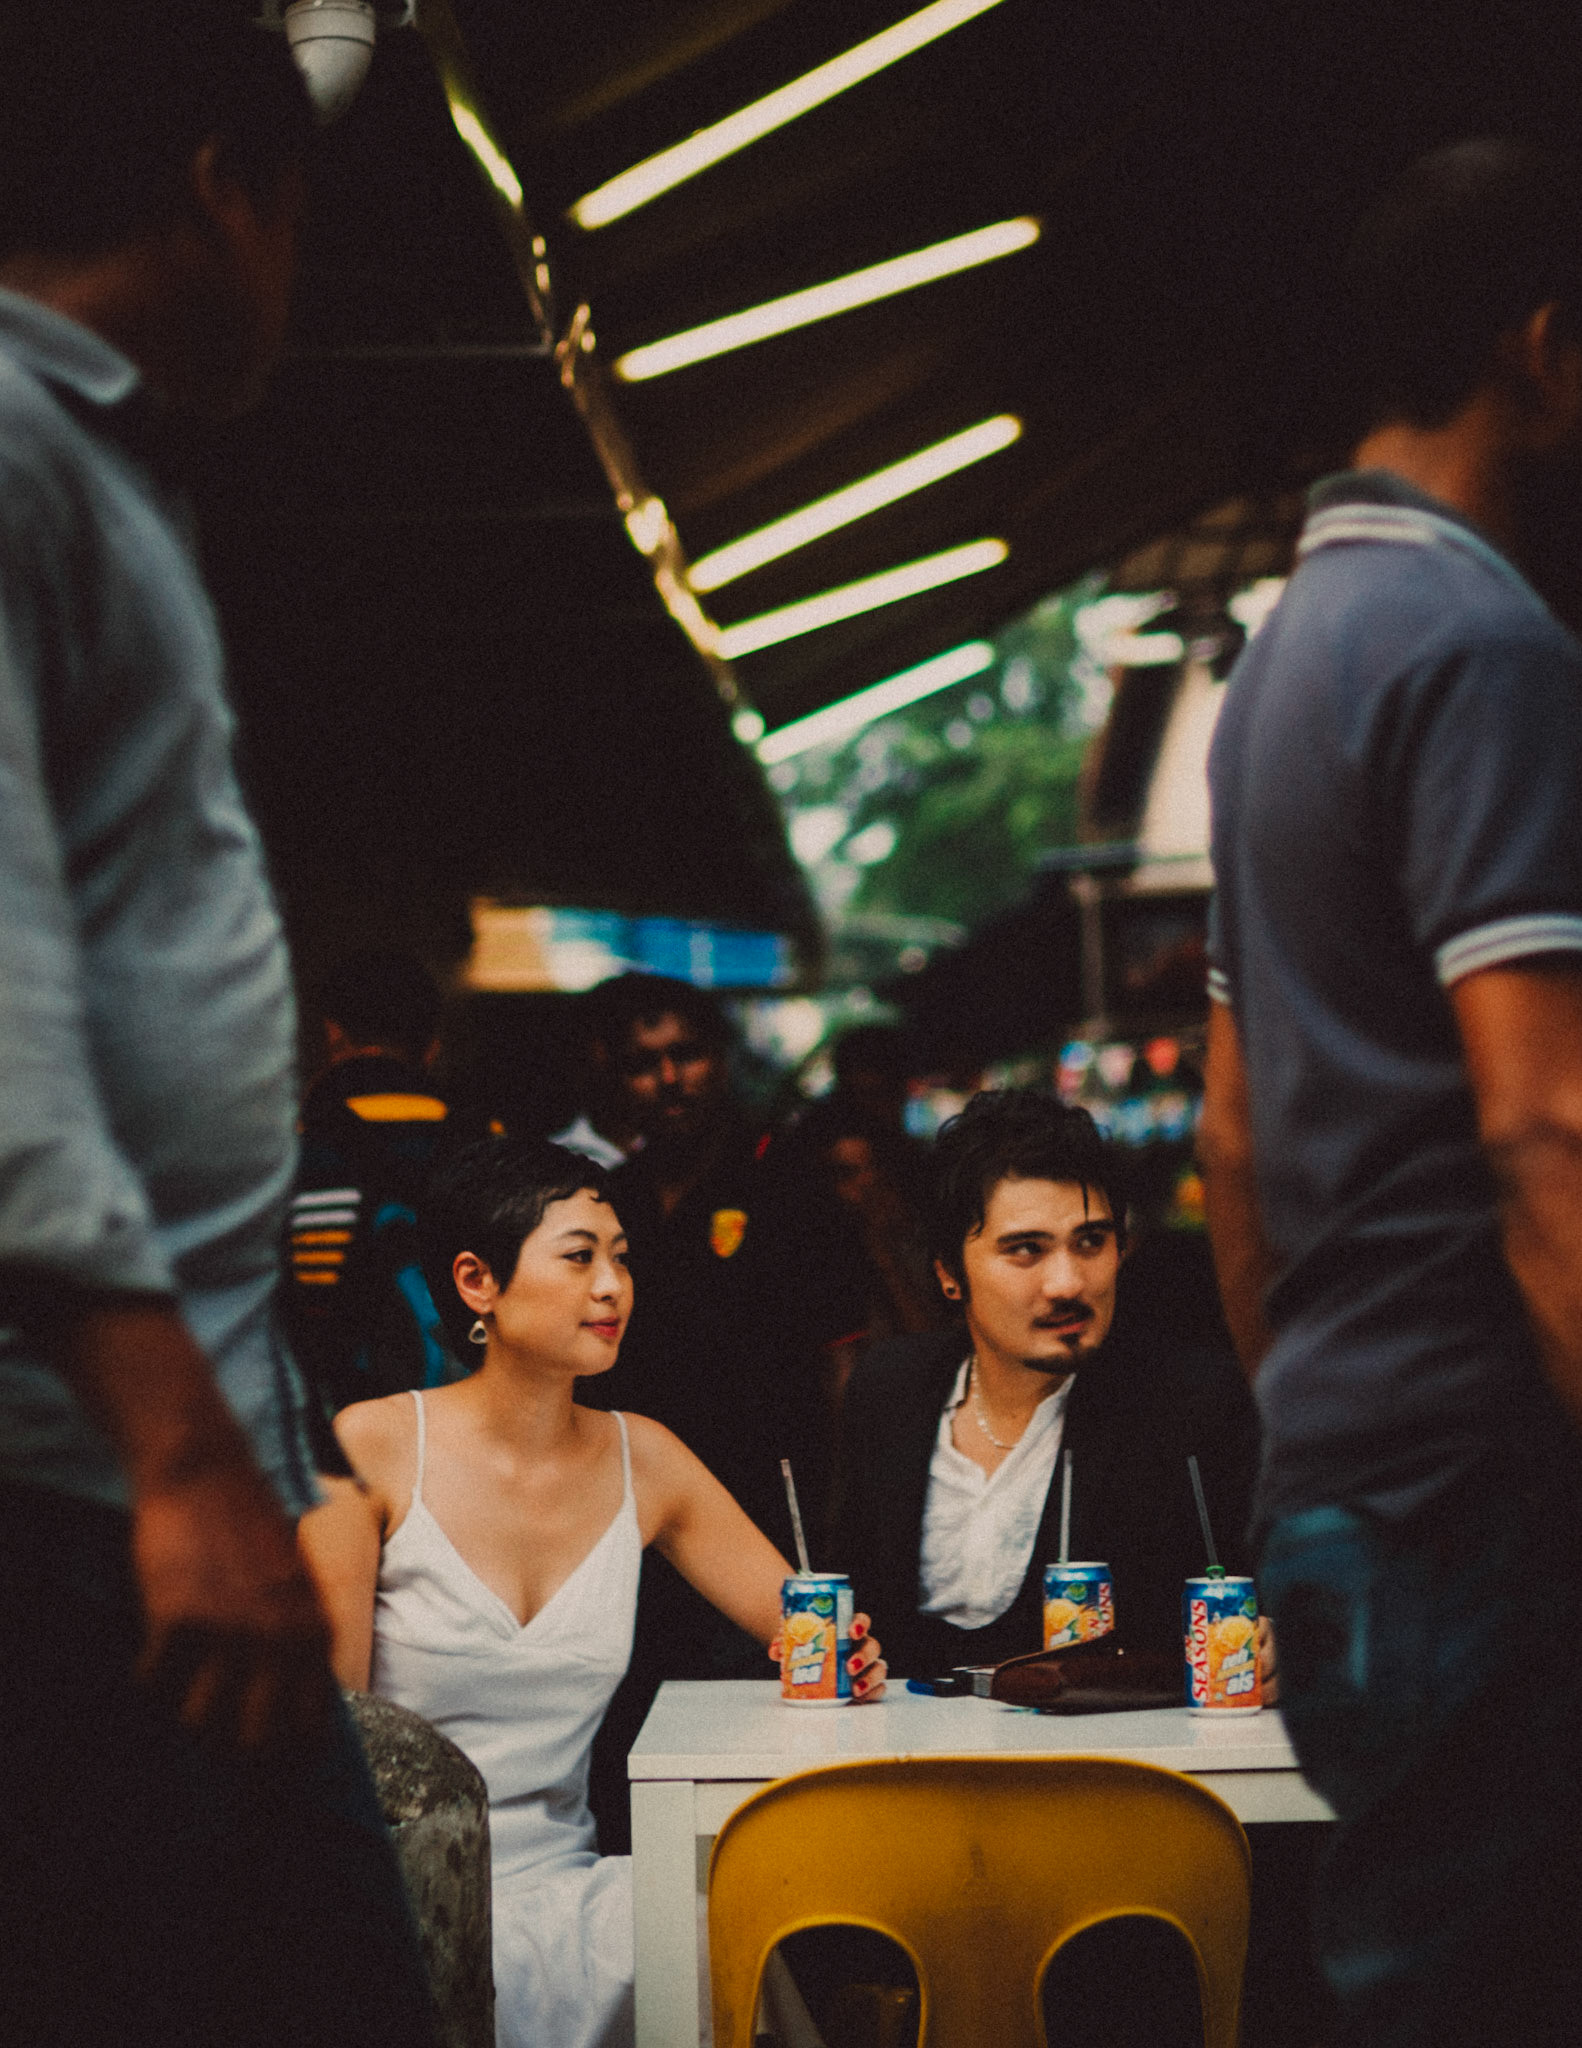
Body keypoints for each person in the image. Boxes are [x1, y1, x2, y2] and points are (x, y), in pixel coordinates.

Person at [0, 8, 436, 2044]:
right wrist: (181, 1467)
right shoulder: (7, 445)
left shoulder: (90, 455)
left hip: (160, 1460)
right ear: (216, 185)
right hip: (80, 1485)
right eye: (296, 206)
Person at [1201, 138, 1582, 2048]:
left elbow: (1230, 1134)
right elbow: (1544, 1120)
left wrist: (1314, 1411)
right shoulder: (1486, 648)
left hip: (1340, 1486)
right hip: (1484, 1480)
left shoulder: (1279, 664)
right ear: (1544, 347)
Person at [299, 1136, 886, 2048]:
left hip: (577, 1898)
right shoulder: (370, 1448)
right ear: (476, 1282)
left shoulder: (643, 1456)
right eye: (579, 1257)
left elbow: (803, 1622)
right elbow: (322, 1738)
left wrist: (845, 1652)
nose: (613, 1286)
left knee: (697, 1928)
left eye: (620, 1258)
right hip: (403, 1900)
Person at [833, 1090, 1261, 1680]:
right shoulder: (891, 1392)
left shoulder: (1190, 1406)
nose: (1067, 1283)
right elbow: (852, 1609)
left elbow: (1273, 1606)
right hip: (901, 1761)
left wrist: (1275, 1650)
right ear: (948, 1273)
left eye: (1091, 1242)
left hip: (1116, 1762)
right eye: (1026, 1251)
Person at [286, 948, 456, 1413]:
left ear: (332, 1034)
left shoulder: (289, 1151)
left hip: (333, 1428)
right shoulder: (485, 1140)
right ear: (432, 1046)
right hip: (456, 1429)